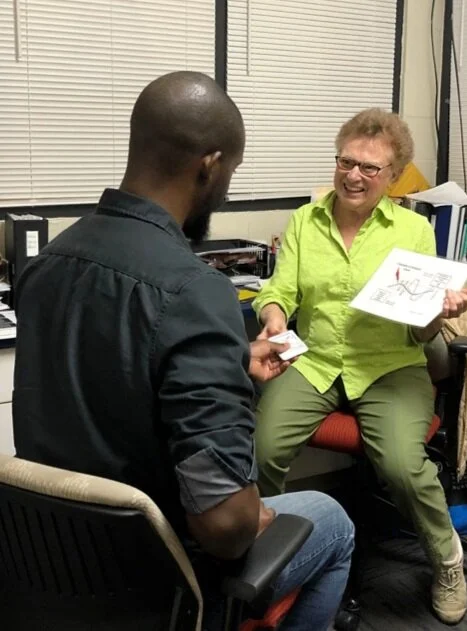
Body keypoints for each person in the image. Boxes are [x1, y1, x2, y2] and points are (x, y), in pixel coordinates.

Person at [12, 71, 353, 631]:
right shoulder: (194, 292)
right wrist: (257, 516)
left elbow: (108, 377)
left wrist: (228, 362)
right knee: (333, 522)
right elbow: (225, 529)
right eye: (231, 173)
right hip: (157, 580)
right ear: (210, 165)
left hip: (53, 562)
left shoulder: (49, 262)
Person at [252, 108, 467, 625]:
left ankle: (447, 560)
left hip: (390, 366)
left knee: (401, 465)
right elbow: (279, 289)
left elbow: (419, 333)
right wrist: (274, 317)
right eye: (346, 162)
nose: (354, 175)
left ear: (392, 177)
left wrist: (438, 313)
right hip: (316, 361)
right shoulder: (306, 221)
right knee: (263, 447)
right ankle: (266, 550)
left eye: (370, 168)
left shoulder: (414, 230)